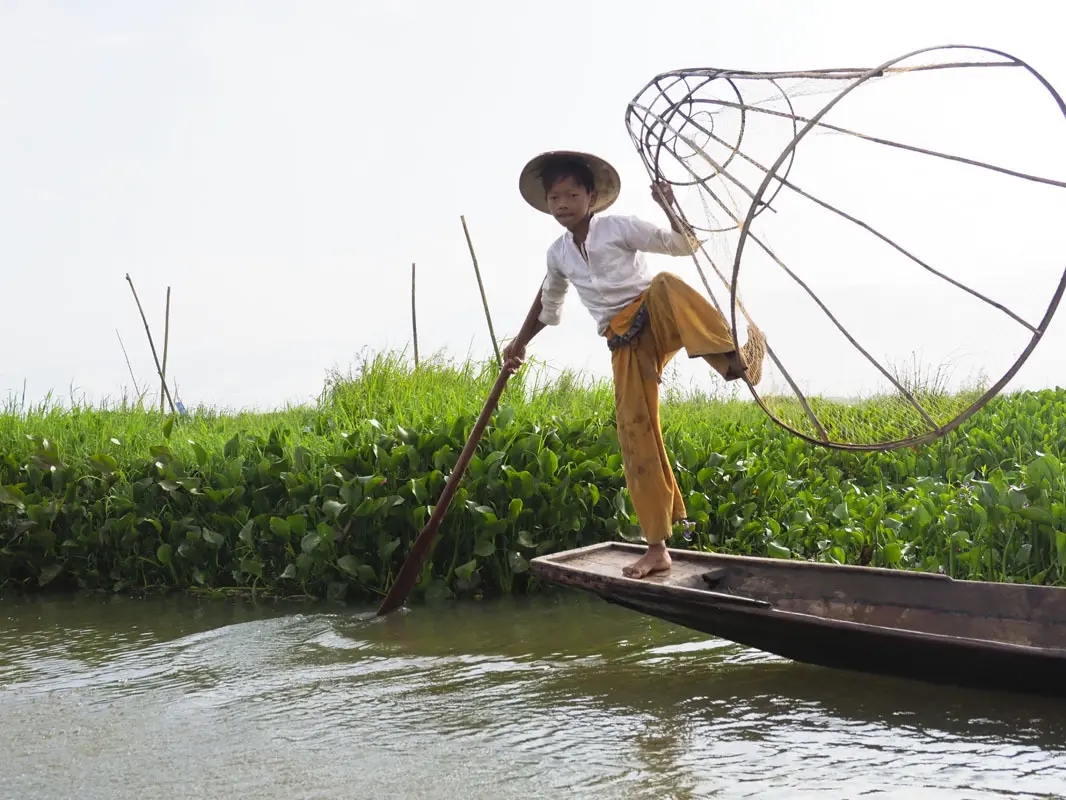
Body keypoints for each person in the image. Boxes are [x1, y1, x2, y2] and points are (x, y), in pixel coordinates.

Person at [502, 150, 766, 580]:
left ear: (591, 196)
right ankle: (657, 548)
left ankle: (733, 357)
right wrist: (519, 342)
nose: (563, 203)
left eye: (572, 194)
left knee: (665, 282)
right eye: (555, 197)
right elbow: (549, 306)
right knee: (635, 432)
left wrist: (669, 205)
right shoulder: (559, 254)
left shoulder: (618, 226)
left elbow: (682, 245)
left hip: (656, 314)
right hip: (623, 341)